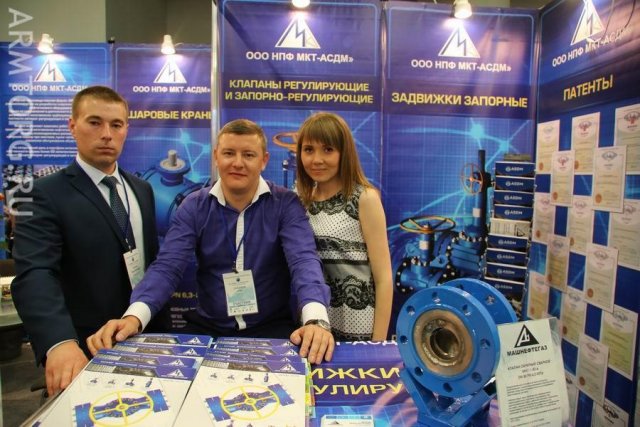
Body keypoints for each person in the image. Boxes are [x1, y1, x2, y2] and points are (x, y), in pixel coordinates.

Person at [87, 119, 335, 364]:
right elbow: (168, 266)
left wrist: (315, 320)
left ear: (264, 160)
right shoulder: (194, 206)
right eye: (229, 153)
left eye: (248, 155)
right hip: (208, 329)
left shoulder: (285, 204)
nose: (237, 163)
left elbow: (303, 261)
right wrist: (133, 317)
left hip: (271, 327)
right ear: (216, 156)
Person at [10, 86, 166, 396]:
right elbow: (35, 273)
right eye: (95, 122)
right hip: (84, 349)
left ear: (126, 129)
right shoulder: (41, 193)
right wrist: (59, 341)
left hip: (144, 338)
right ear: (72, 126)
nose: (106, 134)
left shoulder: (142, 189)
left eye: (116, 125)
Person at [296, 112, 393, 341]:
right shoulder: (300, 200)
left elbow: (384, 278)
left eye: (328, 149)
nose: (316, 159)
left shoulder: (364, 198)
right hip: (314, 323)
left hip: (358, 326)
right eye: (308, 149)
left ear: (344, 153)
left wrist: (378, 344)